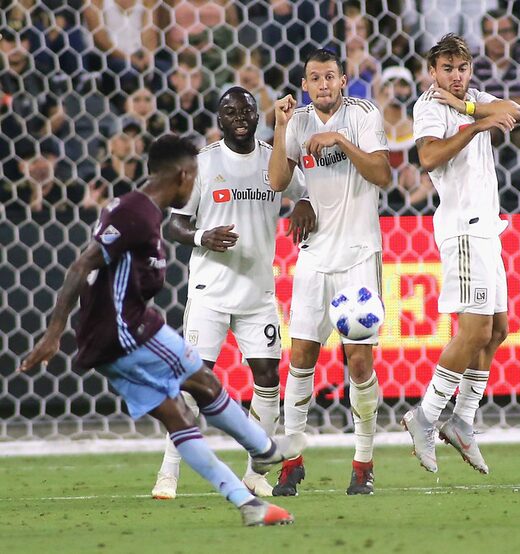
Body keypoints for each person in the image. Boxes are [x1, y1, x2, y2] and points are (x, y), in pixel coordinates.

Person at [17, 134, 305, 526]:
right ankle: (266, 448)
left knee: (179, 418)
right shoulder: (135, 212)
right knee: (203, 382)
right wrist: (53, 333)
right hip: (127, 330)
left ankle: (248, 505)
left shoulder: (143, 211)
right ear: (185, 175)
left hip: (104, 345)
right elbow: (80, 266)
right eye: (195, 178)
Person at [150, 88, 315, 499]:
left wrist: (303, 203)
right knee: (192, 383)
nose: (239, 116)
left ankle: (256, 471)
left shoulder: (273, 160)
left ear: (257, 116)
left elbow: (305, 189)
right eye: (230, 111)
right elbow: (174, 225)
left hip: (257, 292)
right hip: (210, 293)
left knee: (266, 379)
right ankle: (168, 472)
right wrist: (203, 236)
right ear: (219, 120)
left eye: (246, 110)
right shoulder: (203, 164)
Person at [267, 48, 392, 495]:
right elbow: (279, 182)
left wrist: (339, 140)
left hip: (359, 253)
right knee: (300, 357)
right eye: (314, 78)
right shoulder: (296, 121)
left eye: (330, 77)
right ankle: (292, 459)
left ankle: (363, 463)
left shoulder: (362, 114)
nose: (322, 85)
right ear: (305, 84)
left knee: (358, 360)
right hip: (314, 255)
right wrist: (281, 128)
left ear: (343, 81)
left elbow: (382, 173)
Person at [401, 33, 520, 474]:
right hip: (464, 229)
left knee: (497, 330)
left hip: (488, 228)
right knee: (472, 332)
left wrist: (471, 108)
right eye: (447, 69)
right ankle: (425, 417)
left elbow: (519, 112)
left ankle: (463, 421)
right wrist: (474, 125)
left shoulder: (471, 98)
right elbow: (430, 157)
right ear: (431, 73)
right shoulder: (428, 107)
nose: (456, 77)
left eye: (462, 68)